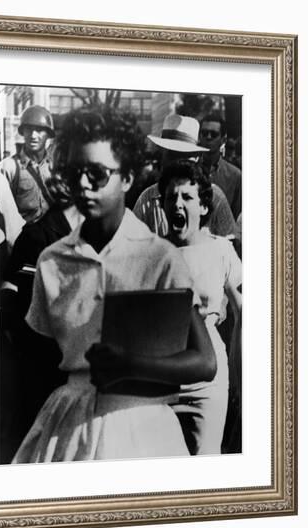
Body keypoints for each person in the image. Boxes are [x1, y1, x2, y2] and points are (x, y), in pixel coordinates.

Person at [12, 106, 216, 463]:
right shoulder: (53, 260)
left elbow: (203, 361)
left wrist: (131, 365)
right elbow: (38, 366)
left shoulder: (159, 257)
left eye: (97, 173)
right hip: (68, 428)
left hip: (142, 426)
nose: (84, 186)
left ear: (127, 178)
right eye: (76, 173)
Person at [159, 159, 242, 455]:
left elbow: (243, 310)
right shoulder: (152, 253)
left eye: (187, 197)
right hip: (161, 383)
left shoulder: (221, 249)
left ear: (204, 207)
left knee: (206, 465)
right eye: (171, 197)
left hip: (208, 383)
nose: (177, 203)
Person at [133, 114, 240, 242]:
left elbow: (231, 242)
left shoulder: (214, 197)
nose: (177, 164)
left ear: (196, 159)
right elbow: (132, 247)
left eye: (183, 156)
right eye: (172, 155)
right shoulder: (147, 199)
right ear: (162, 157)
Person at [0, 105, 56, 225]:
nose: (33, 135)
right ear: (23, 132)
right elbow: (0, 212)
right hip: (25, 238)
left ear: (48, 134)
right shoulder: (9, 167)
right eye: (29, 129)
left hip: (53, 238)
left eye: (39, 130)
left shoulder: (56, 167)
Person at [199, 112, 242, 220]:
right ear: (199, 137)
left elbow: (237, 217)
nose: (208, 137)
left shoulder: (235, 176)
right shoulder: (189, 169)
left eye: (213, 134)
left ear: (223, 139)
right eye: (204, 133)